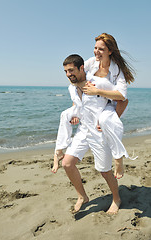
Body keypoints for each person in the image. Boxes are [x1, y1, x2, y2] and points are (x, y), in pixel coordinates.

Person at [52, 33, 134, 179]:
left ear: (110, 51)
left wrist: (97, 91)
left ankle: (118, 157)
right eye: (95, 48)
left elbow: (122, 96)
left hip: (113, 104)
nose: (96, 51)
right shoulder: (91, 62)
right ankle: (59, 150)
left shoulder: (117, 71)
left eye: (101, 49)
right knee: (65, 115)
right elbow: (77, 80)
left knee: (105, 121)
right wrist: (77, 109)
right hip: (94, 105)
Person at [58, 54, 124, 214]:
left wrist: (108, 121)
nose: (68, 74)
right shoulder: (71, 87)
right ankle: (82, 196)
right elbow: (77, 104)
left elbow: (123, 100)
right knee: (67, 163)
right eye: (66, 71)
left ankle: (116, 198)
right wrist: (75, 115)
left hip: (99, 133)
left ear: (82, 68)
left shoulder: (99, 83)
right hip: (82, 130)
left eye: (71, 70)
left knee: (104, 171)